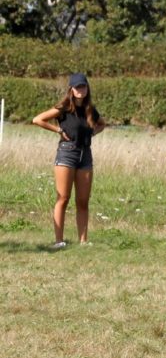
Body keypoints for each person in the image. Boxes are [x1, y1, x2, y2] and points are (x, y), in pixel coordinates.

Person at [32, 73, 105, 248]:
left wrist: (93, 132)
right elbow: (37, 119)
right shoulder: (63, 108)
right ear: (71, 89)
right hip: (67, 154)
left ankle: (83, 241)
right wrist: (57, 130)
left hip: (85, 155)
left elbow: (102, 124)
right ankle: (59, 241)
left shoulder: (90, 110)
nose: (81, 90)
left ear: (88, 89)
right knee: (63, 198)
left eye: (84, 87)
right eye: (78, 87)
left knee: (83, 201)